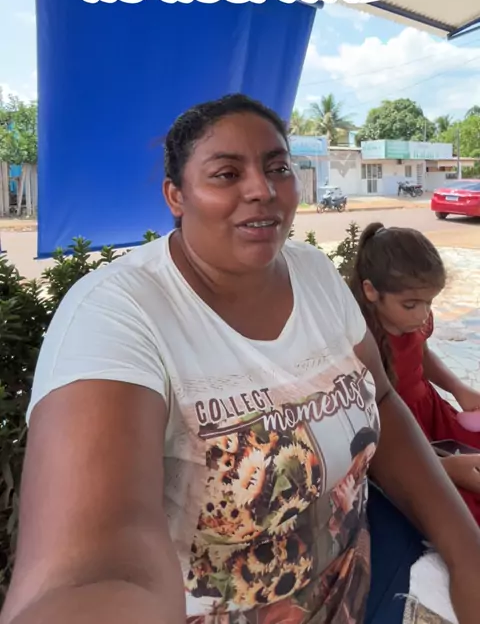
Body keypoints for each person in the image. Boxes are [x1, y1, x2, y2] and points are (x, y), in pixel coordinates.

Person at [3, 95, 480, 624]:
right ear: (176, 196)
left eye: (278, 168)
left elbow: (383, 401)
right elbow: (94, 564)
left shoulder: (315, 274)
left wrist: (466, 550)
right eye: (227, 174)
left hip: (368, 580)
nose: (262, 189)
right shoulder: (116, 313)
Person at [350, 221, 480, 525]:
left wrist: (458, 387)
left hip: (431, 413)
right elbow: (374, 442)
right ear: (371, 291)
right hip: (397, 436)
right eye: (410, 305)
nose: (422, 315)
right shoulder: (359, 342)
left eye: (429, 303)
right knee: (456, 508)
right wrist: (443, 469)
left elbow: (422, 354)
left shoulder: (415, 321)